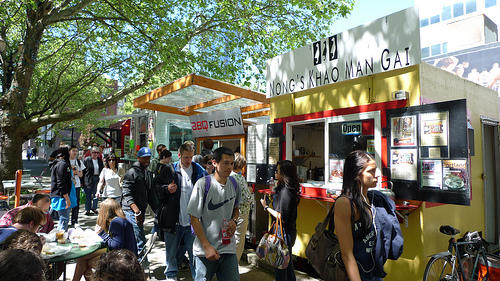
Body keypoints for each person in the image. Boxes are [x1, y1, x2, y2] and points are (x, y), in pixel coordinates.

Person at [188, 146, 241, 281]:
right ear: (214, 163)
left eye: (231, 163)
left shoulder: (235, 184)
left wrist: (234, 221)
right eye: (225, 163)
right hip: (205, 251)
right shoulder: (203, 184)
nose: (229, 167)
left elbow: (236, 208)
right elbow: (194, 218)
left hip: (228, 249)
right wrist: (206, 246)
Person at [162, 142, 207, 280]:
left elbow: (206, 190)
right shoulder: (169, 169)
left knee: (195, 254)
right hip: (174, 221)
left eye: (191, 157)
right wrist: (166, 189)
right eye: (186, 157)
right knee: (171, 253)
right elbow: (157, 191)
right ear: (179, 155)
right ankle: (171, 276)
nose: (189, 161)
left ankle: (198, 278)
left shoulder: (199, 171)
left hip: (193, 222)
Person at [334, 150, 381, 281]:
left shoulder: (371, 198)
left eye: (375, 170)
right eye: (371, 171)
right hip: (355, 275)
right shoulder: (345, 203)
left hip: (374, 272)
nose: (377, 175)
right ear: (356, 174)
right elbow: (347, 254)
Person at [72, 198, 137, 281]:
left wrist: (102, 233)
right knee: (83, 259)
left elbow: (116, 246)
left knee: (85, 261)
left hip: (122, 259)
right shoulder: (121, 220)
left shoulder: (116, 222)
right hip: (126, 256)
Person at [260, 160, 300, 281]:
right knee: (287, 267)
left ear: (284, 173)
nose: (275, 173)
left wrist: (266, 207)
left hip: (284, 233)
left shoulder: (287, 192)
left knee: (281, 269)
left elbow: (281, 217)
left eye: (277, 171)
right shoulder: (285, 188)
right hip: (285, 232)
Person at [121, 147, 153, 254]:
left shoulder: (147, 173)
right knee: (139, 240)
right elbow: (126, 193)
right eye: (144, 158)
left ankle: (136, 264)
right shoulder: (131, 172)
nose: (147, 160)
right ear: (139, 158)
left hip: (140, 210)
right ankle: (140, 265)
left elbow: (149, 194)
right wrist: (136, 211)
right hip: (131, 211)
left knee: (137, 239)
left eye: (148, 158)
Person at [231, 153, 253, 262]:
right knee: (238, 240)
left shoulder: (228, 177)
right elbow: (247, 198)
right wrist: (250, 193)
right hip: (241, 213)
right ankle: (234, 266)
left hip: (230, 214)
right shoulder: (239, 178)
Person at [50, 147, 77, 231]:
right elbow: (61, 182)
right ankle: (60, 238)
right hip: (62, 197)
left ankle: (59, 236)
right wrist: (66, 198)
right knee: (64, 219)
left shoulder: (60, 164)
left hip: (62, 195)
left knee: (62, 219)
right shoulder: (62, 164)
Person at [83, 146, 104, 215]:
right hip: (88, 179)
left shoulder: (99, 160)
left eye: (97, 152)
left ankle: (94, 208)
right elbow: (83, 171)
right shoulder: (86, 160)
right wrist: (82, 181)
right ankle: (87, 209)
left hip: (97, 178)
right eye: (94, 152)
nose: (95, 154)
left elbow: (102, 170)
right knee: (88, 195)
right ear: (91, 152)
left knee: (96, 194)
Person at [69, 145, 86, 226]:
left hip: (77, 185)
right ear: (69, 151)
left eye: (76, 151)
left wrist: (75, 172)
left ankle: (74, 220)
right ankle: (65, 219)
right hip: (68, 185)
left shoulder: (79, 162)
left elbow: (81, 175)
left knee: (76, 203)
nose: (75, 152)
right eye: (73, 151)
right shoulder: (66, 162)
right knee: (67, 202)